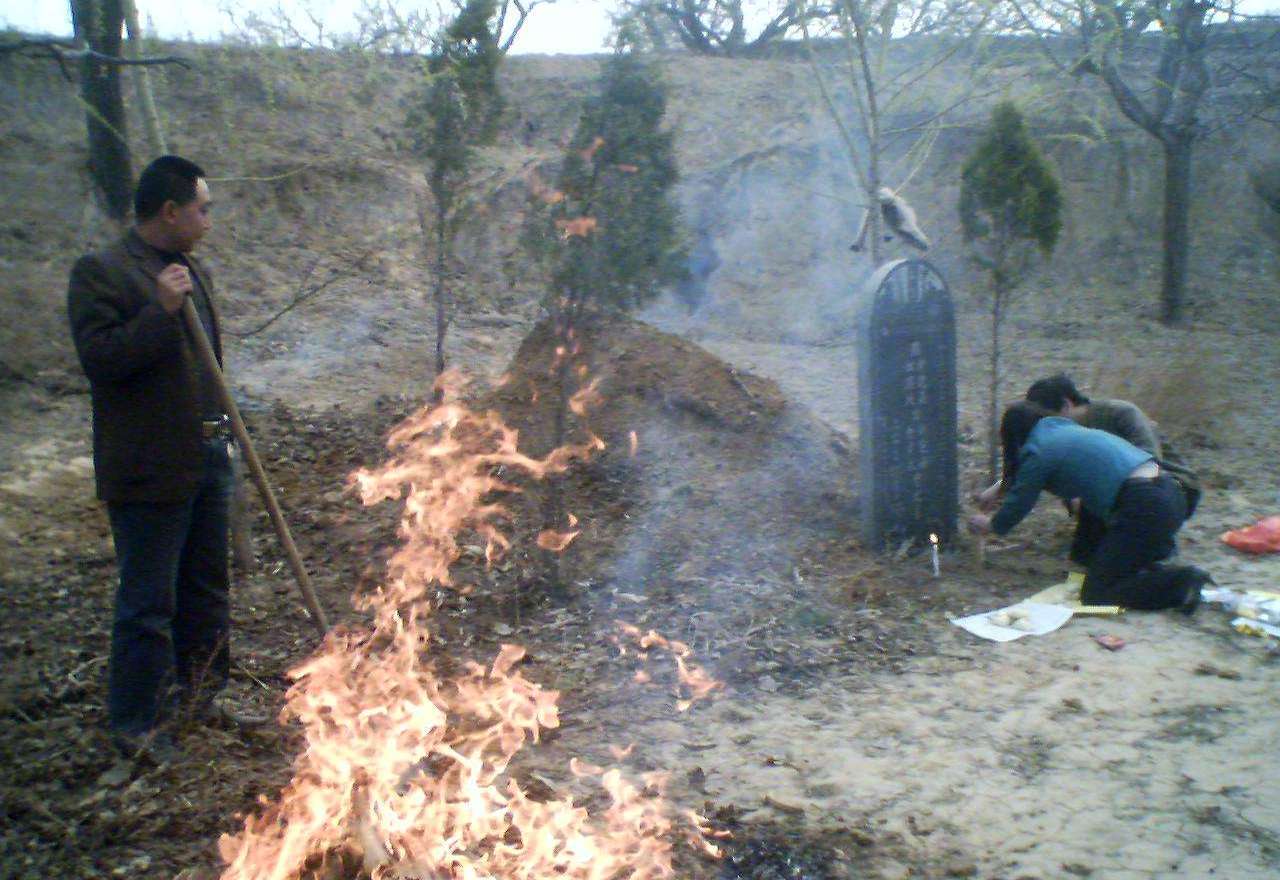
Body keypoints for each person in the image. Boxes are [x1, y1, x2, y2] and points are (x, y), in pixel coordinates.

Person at [68, 155, 260, 763]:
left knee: (207, 588)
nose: (209, 220)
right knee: (150, 601)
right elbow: (102, 361)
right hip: (151, 465)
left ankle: (204, 695)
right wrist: (159, 312)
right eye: (202, 208)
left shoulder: (189, 269)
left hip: (208, 453)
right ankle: (137, 725)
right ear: (170, 210)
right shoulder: (101, 272)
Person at [969, 401, 1211, 612]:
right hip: (1170, 494)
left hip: (1144, 506)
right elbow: (1024, 479)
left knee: (1097, 593)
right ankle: (1158, 568)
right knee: (1101, 562)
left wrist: (991, 525)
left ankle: (1183, 582)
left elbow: (1020, 502)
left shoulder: (1040, 449)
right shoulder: (1067, 432)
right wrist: (999, 490)